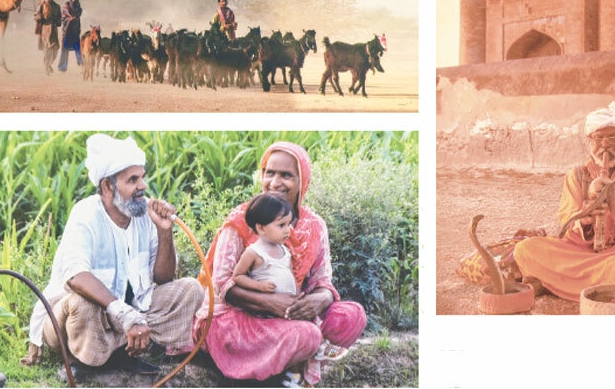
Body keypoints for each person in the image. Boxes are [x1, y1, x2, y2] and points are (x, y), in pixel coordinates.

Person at [20, 134, 205, 381]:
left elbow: (163, 277)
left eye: (142, 177)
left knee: (190, 290)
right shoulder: (86, 213)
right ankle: (86, 360)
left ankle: (123, 349)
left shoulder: (143, 212)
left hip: (131, 313)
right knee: (83, 303)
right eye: (133, 180)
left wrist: (164, 231)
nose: (143, 186)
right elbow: (76, 276)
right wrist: (124, 314)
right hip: (74, 322)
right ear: (108, 187)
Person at [180, 142, 366, 387]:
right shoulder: (243, 219)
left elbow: (323, 282)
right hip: (240, 317)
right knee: (307, 335)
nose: (275, 182)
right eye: (269, 173)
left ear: (303, 181)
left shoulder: (314, 225)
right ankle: (284, 371)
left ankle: (293, 372)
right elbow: (223, 286)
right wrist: (270, 302)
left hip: (291, 314)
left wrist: (316, 301)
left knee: (352, 316)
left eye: (286, 175)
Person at [513, 100, 615, 301]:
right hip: (584, 254)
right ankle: (611, 290)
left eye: (612, 138)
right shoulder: (577, 176)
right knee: (526, 249)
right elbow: (565, 223)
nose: (605, 145)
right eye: (598, 138)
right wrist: (587, 214)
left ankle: (559, 284)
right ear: (590, 143)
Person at [233, 192, 349, 364]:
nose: (288, 230)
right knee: (300, 330)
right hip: (267, 310)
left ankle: (310, 359)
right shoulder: (253, 252)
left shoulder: (284, 250)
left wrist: (298, 293)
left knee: (308, 319)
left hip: (287, 302)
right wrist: (260, 287)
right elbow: (237, 277)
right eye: (281, 225)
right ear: (261, 228)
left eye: (288, 224)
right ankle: (318, 348)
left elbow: (288, 274)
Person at [34, 0, 61, 74]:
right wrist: (39, 17)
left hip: (54, 31)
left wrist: (58, 22)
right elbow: (36, 17)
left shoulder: (57, 7)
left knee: (55, 51)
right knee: (47, 50)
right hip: (45, 30)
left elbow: (59, 19)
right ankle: (46, 68)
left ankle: (49, 64)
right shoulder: (42, 4)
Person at [57, 0, 83, 72]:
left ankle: (82, 63)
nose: (73, 0)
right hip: (67, 31)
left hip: (75, 31)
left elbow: (78, 13)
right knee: (65, 49)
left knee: (78, 48)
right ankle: (62, 67)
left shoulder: (78, 7)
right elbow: (66, 12)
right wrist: (70, 17)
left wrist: (74, 17)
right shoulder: (66, 6)